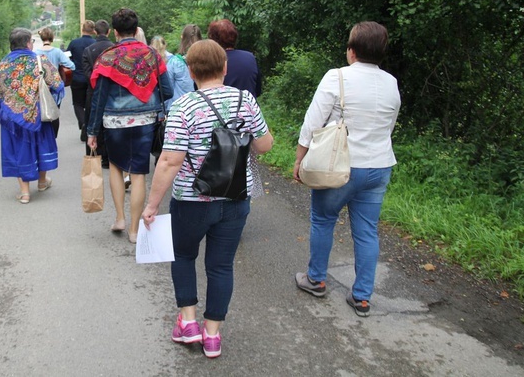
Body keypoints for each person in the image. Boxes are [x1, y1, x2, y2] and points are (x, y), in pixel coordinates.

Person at [142, 39, 274, 358]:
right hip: (235, 198)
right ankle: (212, 335)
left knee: (184, 256)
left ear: (190, 71)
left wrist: (152, 204)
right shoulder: (245, 100)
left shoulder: (184, 107)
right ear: (225, 67)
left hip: (191, 200)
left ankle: (188, 324)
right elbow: (265, 145)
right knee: (221, 265)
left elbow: (170, 160)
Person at [293, 21, 400, 317]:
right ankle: (362, 297)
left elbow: (312, 123)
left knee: (323, 219)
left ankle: (316, 279)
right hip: (379, 166)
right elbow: (389, 127)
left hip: (338, 166)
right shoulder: (391, 82)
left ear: (351, 51)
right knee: (367, 231)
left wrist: (300, 159)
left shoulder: (336, 77)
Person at [86, 8, 172, 243]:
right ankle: (135, 231)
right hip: (146, 122)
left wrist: (92, 131)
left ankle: (120, 219)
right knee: (138, 174)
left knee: (115, 167)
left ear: (115, 32)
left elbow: (99, 97)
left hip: (113, 122)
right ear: (136, 30)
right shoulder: (152, 56)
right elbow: (168, 90)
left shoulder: (107, 57)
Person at [0, 28, 64, 204]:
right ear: (27, 43)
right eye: (31, 41)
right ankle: (41, 182)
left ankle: (25, 193)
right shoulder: (40, 60)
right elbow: (57, 83)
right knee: (40, 146)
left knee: (19, 150)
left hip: (13, 118)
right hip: (38, 114)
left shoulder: (3, 64)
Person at [82, 20, 114, 168]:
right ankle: (109, 158)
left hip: (93, 92)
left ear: (95, 32)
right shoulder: (115, 49)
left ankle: (93, 156)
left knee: (92, 123)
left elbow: (88, 74)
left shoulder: (88, 50)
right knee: (110, 125)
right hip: (112, 93)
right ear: (109, 31)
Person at [33, 27, 73, 138]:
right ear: (52, 37)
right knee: (55, 113)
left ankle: (44, 138)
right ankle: (53, 137)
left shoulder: (36, 53)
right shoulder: (57, 52)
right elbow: (71, 66)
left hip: (41, 87)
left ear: (41, 38)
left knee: (42, 112)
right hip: (55, 88)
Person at [207, 19, 262, 98]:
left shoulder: (211, 61)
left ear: (213, 39)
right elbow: (258, 90)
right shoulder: (250, 58)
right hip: (248, 108)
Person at [67, 20, 97, 139]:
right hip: (91, 78)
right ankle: (88, 126)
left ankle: (83, 122)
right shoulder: (95, 43)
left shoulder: (74, 43)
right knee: (90, 104)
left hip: (77, 77)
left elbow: (67, 58)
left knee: (78, 104)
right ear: (93, 30)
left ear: (82, 29)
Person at [150, 35, 192, 110]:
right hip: (181, 102)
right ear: (165, 44)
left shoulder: (150, 61)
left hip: (166, 105)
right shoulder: (175, 60)